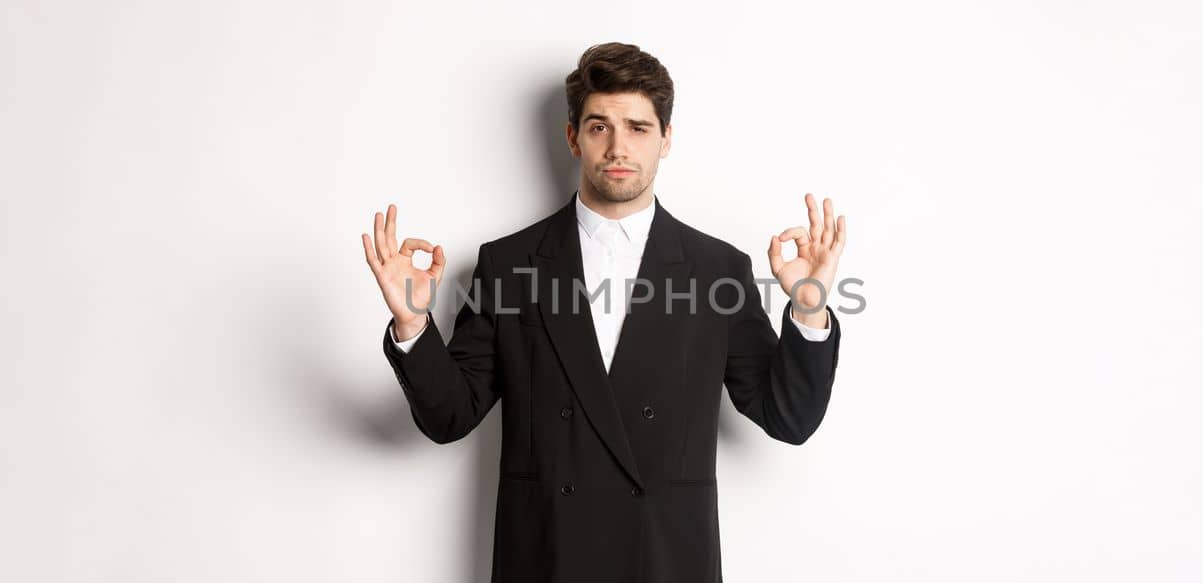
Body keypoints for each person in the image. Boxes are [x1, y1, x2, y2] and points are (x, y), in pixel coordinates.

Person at [360, 41, 848, 583]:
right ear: (573, 138)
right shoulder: (508, 264)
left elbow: (789, 418)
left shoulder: (717, 270)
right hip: (546, 559)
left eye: (638, 128)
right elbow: (450, 416)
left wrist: (808, 309)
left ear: (666, 140)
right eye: (599, 127)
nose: (619, 147)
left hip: (666, 562)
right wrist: (412, 323)